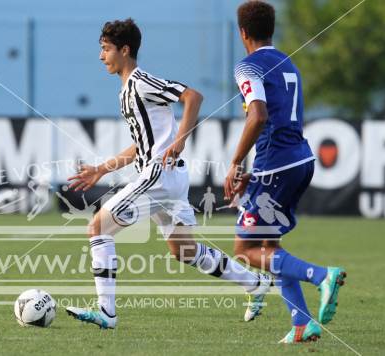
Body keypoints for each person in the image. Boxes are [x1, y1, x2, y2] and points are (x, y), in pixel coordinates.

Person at [65, 18, 271, 329]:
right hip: (169, 177)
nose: (101, 56)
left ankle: (106, 313)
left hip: (158, 176)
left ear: (125, 49)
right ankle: (255, 284)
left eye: (105, 49)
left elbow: (193, 97)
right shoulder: (125, 92)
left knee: (97, 229)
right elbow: (141, 145)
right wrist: (100, 170)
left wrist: (181, 138)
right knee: (183, 250)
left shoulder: (141, 82)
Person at [225, 1, 347, 343]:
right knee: (269, 246)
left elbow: (259, 115)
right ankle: (301, 323)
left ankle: (322, 275)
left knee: (245, 250)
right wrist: (255, 172)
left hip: (277, 164)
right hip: (298, 160)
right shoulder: (288, 63)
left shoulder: (247, 66)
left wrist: (235, 162)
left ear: (243, 32)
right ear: (271, 30)